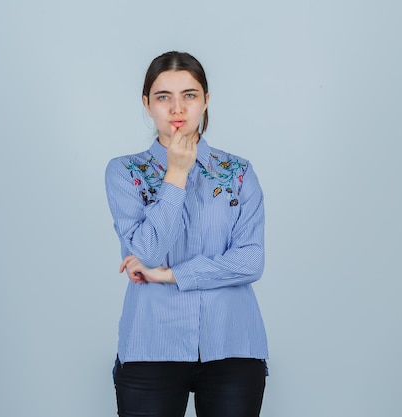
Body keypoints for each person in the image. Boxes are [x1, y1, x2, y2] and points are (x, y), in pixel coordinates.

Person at [104, 51, 269, 417]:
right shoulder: (124, 172)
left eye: (190, 95)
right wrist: (176, 175)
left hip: (233, 344)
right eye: (164, 96)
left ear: (206, 100)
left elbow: (251, 261)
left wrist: (170, 274)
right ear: (147, 104)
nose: (177, 108)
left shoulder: (238, 173)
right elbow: (146, 252)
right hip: (151, 344)